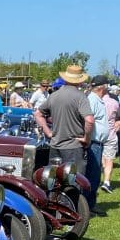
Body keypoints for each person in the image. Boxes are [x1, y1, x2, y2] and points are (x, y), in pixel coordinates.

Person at [33, 65, 95, 205]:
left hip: (55, 145)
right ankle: (70, 212)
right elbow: (90, 120)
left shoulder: (54, 95)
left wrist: (48, 132)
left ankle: (52, 208)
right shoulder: (80, 97)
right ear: (79, 81)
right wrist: (87, 138)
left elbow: (38, 113)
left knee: (51, 180)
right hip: (73, 146)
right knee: (73, 182)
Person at [85, 75, 110, 213]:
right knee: (92, 175)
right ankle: (87, 206)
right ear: (102, 87)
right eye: (107, 85)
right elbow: (88, 120)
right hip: (93, 142)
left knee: (95, 174)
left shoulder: (97, 100)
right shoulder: (92, 100)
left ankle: (90, 204)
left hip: (97, 143)